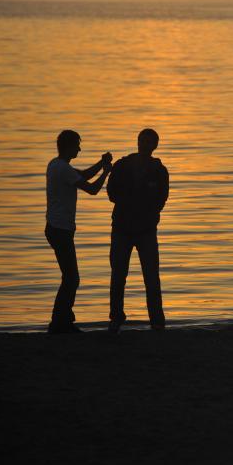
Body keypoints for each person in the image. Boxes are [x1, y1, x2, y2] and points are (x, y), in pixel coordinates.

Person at [46, 130, 112, 333]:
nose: (79, 149)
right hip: (60, 230)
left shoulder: (56, 165)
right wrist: (106, 172)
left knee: (70, 277)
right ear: (68, 146)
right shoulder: (63, 169)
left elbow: (82, 175)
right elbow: (92, 189)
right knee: (72, 278)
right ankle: (60, 322)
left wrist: (101, 164)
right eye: (77, 146)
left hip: (57, 228)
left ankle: (62, 320)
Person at [107, 129, 169, 332]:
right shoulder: (122, 166)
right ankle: (116, 318)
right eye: (142, 141)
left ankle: (157, 321)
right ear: (137, 142)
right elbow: (111, 193)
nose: (145, 145)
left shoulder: (159, 170)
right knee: (118, 276)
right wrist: (132, 202)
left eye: (149, 142)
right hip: (122, 228)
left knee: (151, 277)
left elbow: (162, 198)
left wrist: (146, 210)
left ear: (155, 146)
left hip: (146, 230)